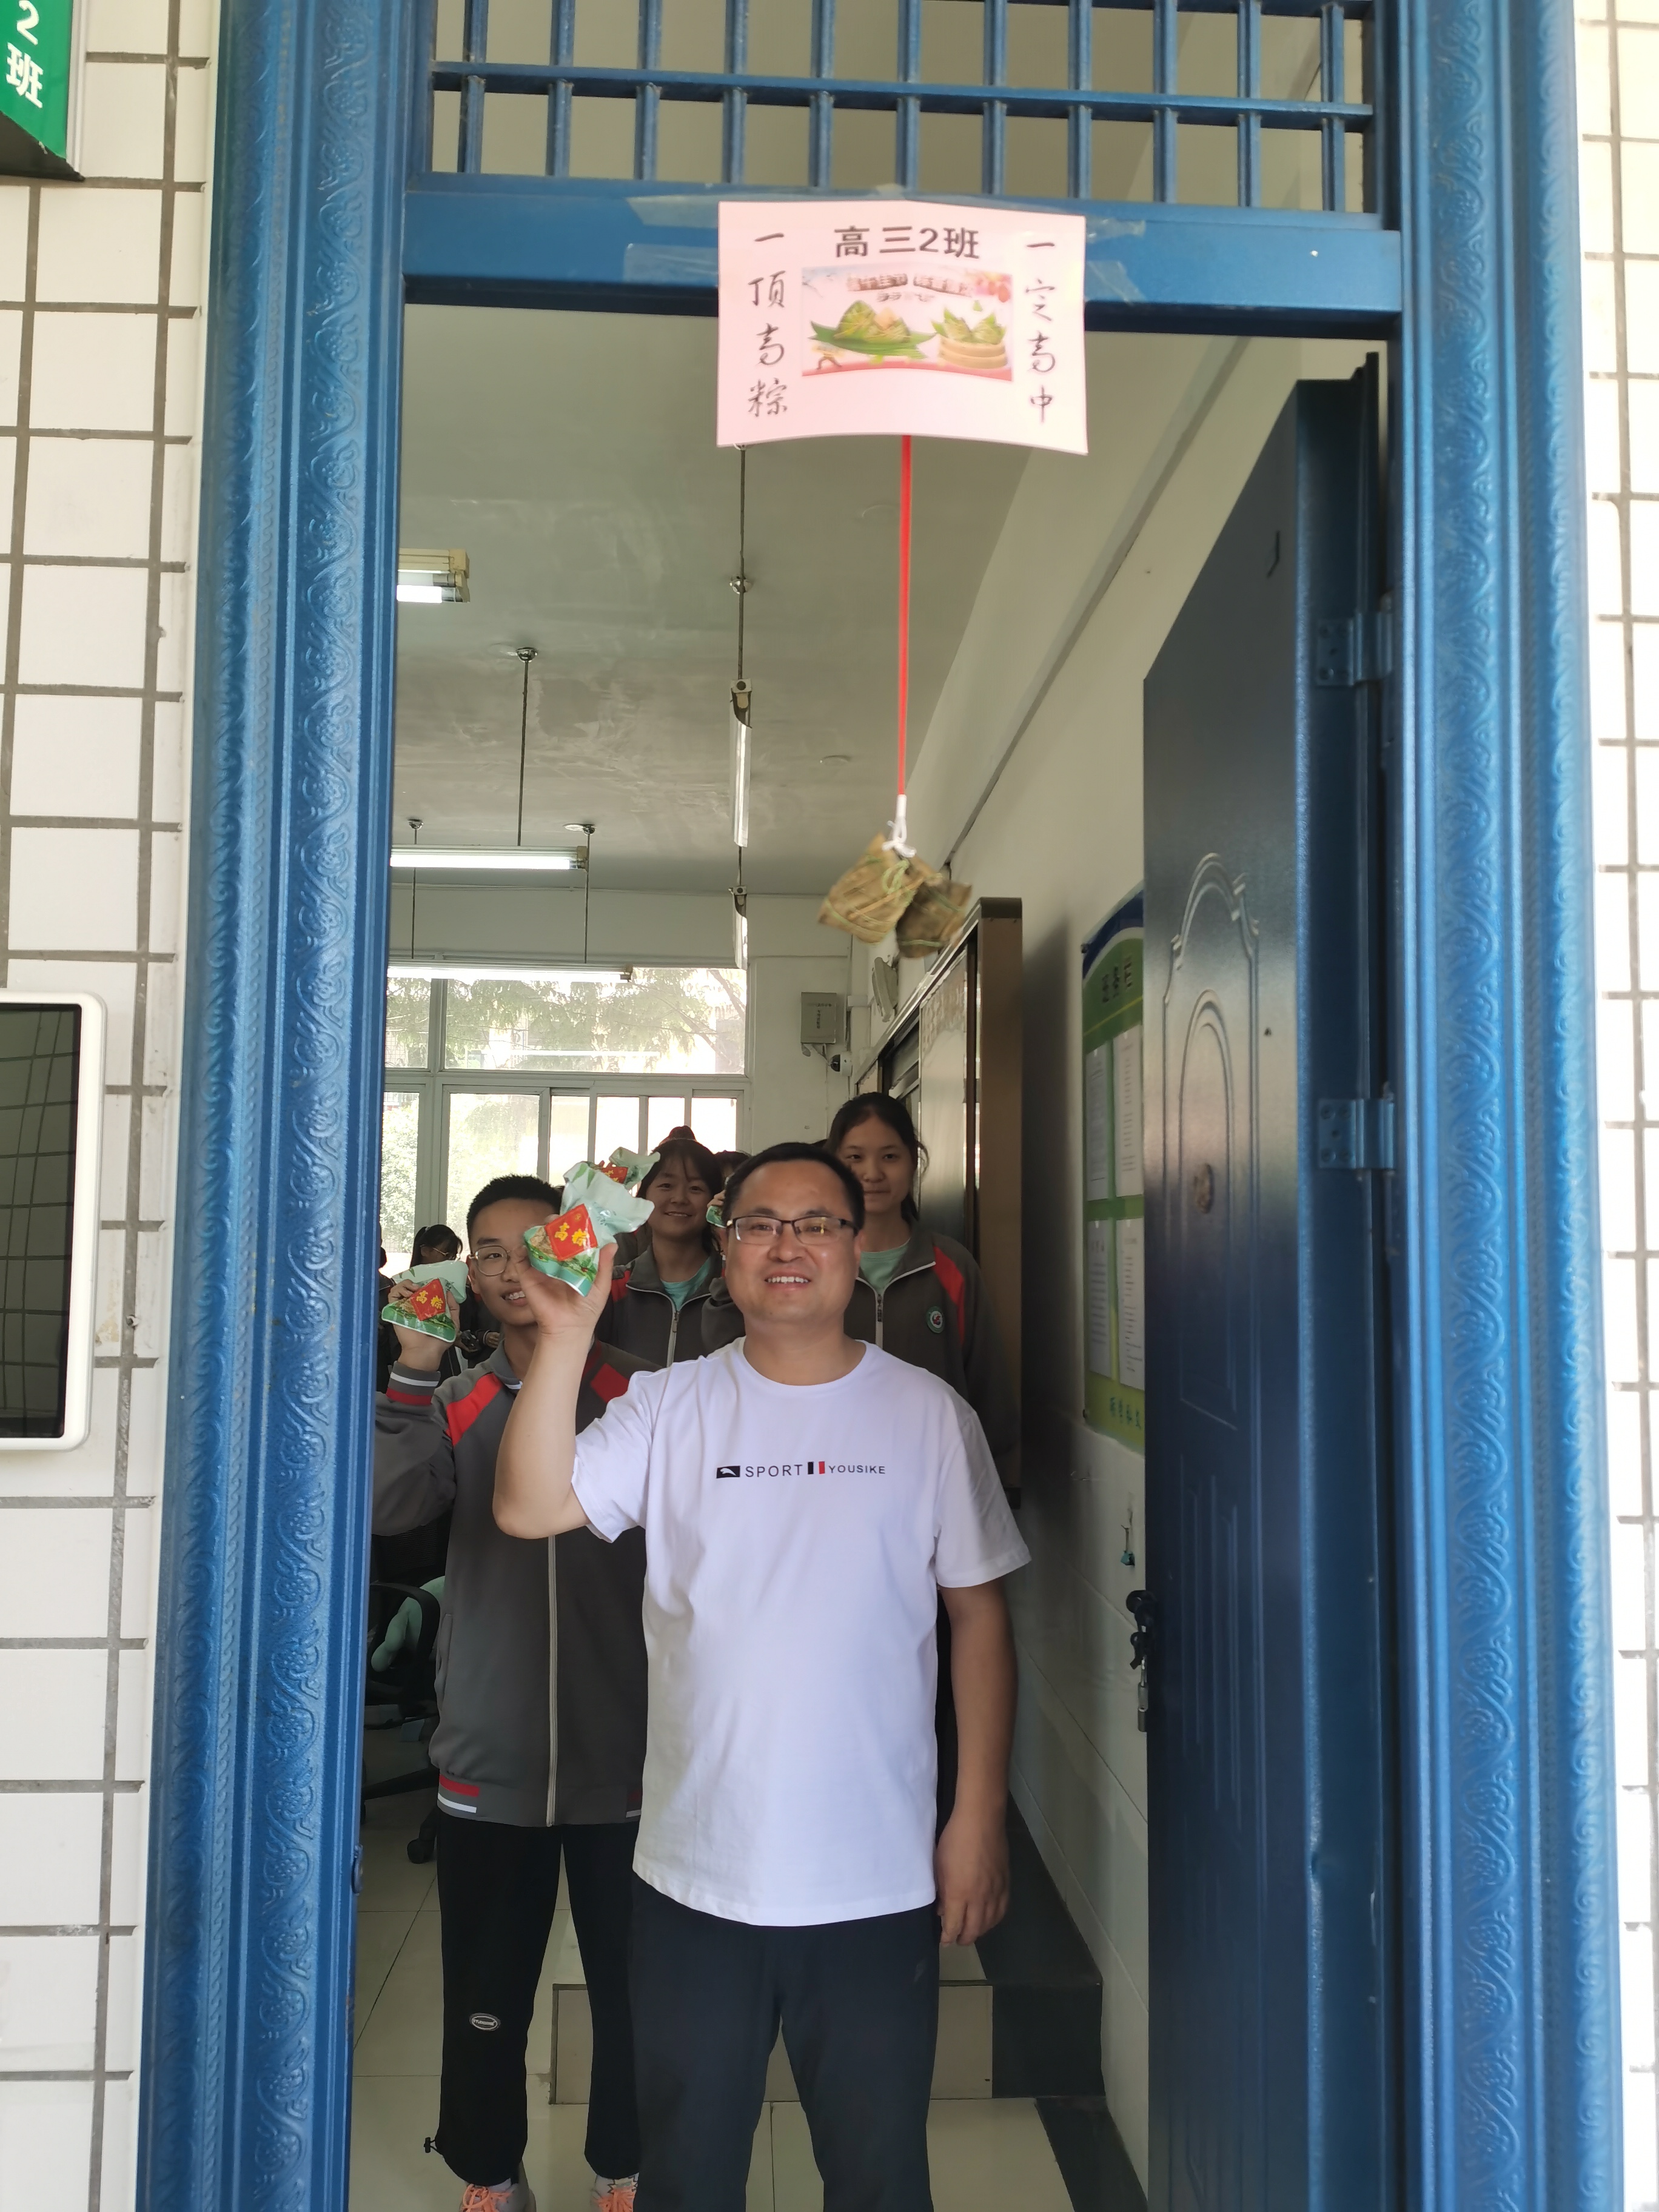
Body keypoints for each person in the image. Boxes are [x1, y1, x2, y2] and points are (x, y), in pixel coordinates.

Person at [494, 1143, 1030, 2212]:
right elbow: (528, 1505)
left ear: (856, 1246)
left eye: (816, 1223)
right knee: (689, 2178)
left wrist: (976, 1817)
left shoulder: (928, 1414)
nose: (788, 1245)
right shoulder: (669, 1404)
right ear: (725, 1250)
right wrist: (565, 1336)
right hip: (696, 1879)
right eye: (759, 1224)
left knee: (880, 2179)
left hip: (877, 1880)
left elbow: (979, 1617)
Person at [377, 1172, 650, 2212]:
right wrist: (411, 1367)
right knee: (485, 1997)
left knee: (634, 1988)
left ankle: (625, 2167)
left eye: (535, 1244)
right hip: (488, 1753)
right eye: (487, 1251)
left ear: (578, 1249)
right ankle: (487, 2170)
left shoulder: (641, 1393)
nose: (508, 1266)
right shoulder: (453, 1400)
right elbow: (388, 1505)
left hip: (630, 1752)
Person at [595, 1138, 725, 1367]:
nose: (679, 1198)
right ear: (644, 1196)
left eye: (696, 1188)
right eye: (666, 1185)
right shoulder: (609, 1288)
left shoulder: (733, 1289)